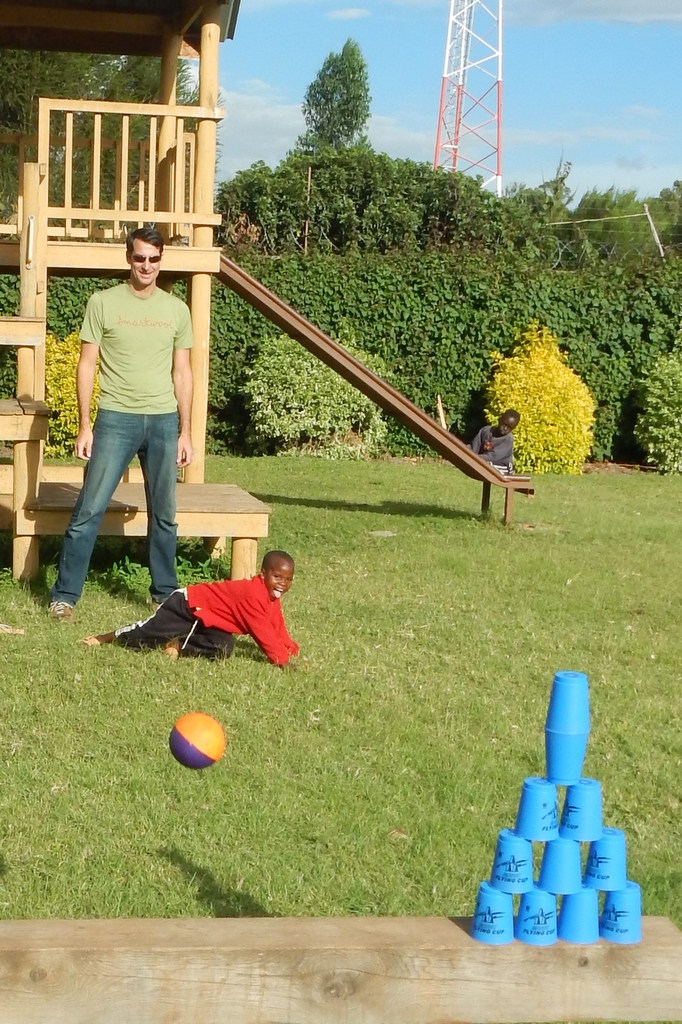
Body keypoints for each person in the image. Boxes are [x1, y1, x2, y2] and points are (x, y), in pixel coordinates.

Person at [48, 226, 194, 622]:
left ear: (161, 260)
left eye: (154, 258)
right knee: (89, 509)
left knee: (164, 513)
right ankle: (64, 596)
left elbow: (182, 372)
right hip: (115, 418)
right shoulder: (103, 302)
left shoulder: (176, 310)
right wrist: (85, 425)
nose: (146, 265)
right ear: (128, 258)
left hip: (163, 421)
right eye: (139, 257)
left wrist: (185, 431)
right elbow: (87, 365)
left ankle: (165, 595)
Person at [80, 550, 299, 667]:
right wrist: (282, 660)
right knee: (144, 635)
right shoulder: (252, 594)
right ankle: (104, 638)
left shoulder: (270, 596)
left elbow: (275, 623)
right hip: (187, 606)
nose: (282, 583)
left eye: (288, 579)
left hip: (209, 620)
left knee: (224, 647)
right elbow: (262, 632)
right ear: (263, 573)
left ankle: (179, 646)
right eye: (277, 577)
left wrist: (289, 647)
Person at [466, 409, 520, 473]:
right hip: (485, 460)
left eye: (509, 428)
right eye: (504, 424)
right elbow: (474, 447)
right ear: (500, 420)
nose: (505, 428)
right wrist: (467, 452)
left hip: (502, 466)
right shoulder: (486, 430)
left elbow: (493, 457)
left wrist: (474, 458)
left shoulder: (508, 440)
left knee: (488, 465)